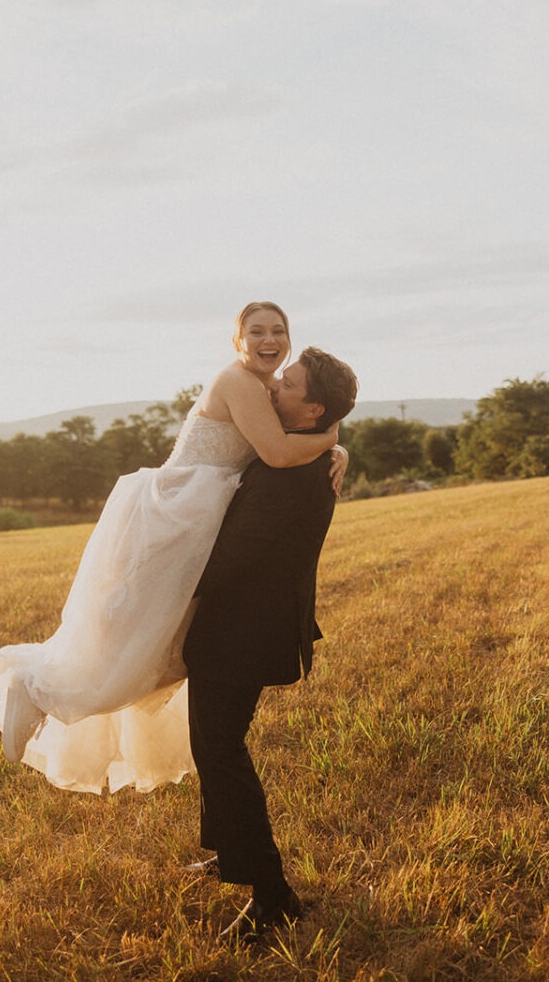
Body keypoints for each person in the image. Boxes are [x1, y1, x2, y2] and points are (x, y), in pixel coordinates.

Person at [0, 302, 346, 794]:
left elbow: (295, 430)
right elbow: (281, 452)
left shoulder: (269, 390)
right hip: (175, 515)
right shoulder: (240, 381)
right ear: (237, 340)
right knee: (130, 639)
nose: (269, 339)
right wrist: (331, 440)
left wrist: (334, 442)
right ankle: (35, 686)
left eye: (278, 330)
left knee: (157, 650)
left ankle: (50, 695)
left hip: (201, 518)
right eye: (256, 330)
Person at [181, 346, 358, 945]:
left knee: (221, 748)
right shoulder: (304, 455)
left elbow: (228, 558)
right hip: (249, 628)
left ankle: (273, 894)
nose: (272, 387)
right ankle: (230, 849)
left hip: (241, 633)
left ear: (311, 409)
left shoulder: (294, 475)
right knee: (213, 744)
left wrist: (160, 590)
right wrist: (336, 440)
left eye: (287, 383)